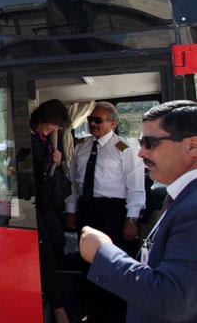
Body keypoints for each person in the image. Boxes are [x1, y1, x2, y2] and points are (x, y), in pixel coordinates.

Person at [79, 100, 197, 323]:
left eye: (150, 143)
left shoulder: (192, 208)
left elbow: (171, 300)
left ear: (191, 146)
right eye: (141, 142)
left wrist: (103, 253)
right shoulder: (181, 198)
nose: (141, 153)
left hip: (112, 210)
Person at [66, 102, 146, 321]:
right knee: (87, 261)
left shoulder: (124, 148)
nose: (93, 124)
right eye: (90, 120)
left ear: (113, 123)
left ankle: (116, 313)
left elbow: (135, 187)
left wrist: (131, 219)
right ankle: (92, 311)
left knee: (112, 261)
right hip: (88, 208)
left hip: (113, 211)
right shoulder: (81, 146)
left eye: (98, 120)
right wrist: (71, 209)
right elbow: (75, 183)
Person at [29, 99, 71, 323]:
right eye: (50, 125)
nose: (53, 130)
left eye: (56, 127)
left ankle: (47, 289)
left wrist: (57, 160)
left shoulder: (46, 141)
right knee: (45, 254)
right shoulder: (28, 141)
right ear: (40, 120)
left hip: (46, 203)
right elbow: (23, 168)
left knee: (57, 240)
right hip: (32, 204)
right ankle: (57, 306)